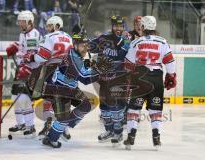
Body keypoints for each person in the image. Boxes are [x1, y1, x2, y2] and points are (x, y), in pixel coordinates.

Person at [38, 33, 110, 148]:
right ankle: (52, 138)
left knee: (86, 104)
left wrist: (94, 65)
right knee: (63, 119)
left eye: (86, 46)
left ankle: (63, 125)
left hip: (69, 89)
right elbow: (85, 78)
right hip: (58, 91)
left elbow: (84, 67)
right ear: (75, 45)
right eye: (82, 46)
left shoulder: (74, 53)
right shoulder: (73, 58)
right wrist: (99, 70)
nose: (85, 48)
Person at [123, 16, 176, 149]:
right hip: (156, 78)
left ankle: (131, 136)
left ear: (143, 27)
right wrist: (171, 76)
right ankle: (156, 137)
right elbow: (170, 62)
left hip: (140, 77)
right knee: (155, 109)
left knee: (134, 108)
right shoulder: (163, 42)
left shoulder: (136, 42)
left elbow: (128, 64)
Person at [23, 15, 73, 139]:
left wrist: (31, 57)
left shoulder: (49, 37)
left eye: (50, 25)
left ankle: (48, 126)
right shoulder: (68, 37)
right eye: (48, 25)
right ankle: (64, 129)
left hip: (53, 70)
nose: (48, 28)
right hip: (68, 70)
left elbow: (42, 57)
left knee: (48, 99)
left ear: (57, 26)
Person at [89, 15, 130, 145]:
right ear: (112, 26)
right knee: (104, 107)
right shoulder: (104, 37)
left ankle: (118, 133)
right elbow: (91, 46)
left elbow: (120, 55)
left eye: (121, 26)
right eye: (116, 26)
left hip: (119, 78)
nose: (118, 28)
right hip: (104, 78)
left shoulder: (126, 40)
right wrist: (85, 40)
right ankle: (110, 130)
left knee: (116, 107)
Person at [6, 10, 41, 136]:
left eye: (22, 21)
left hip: (30, 70)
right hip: (21, 68)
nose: (20, 23)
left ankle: (30, 125)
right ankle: (21, 124)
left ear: (29, 22)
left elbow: (32, 54)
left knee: (24, 98)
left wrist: (25, 66)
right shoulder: (23, 34)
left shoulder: (34, 34)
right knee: (15, 97)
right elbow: (22, 48)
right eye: (19, 21)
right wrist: (15, 47)